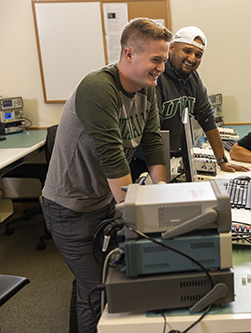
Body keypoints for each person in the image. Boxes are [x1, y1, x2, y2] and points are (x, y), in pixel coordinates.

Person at [40, 18, 172, 333]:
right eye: (156, 60)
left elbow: (152, 141)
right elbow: (112, 157)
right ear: (129, 54)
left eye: (164, 60)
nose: (162, 68)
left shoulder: (145, 89)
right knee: (98, 287)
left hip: (101, 199)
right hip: (69, 206)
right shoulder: (98, 88)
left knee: (103, 278)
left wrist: (166, 196)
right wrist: (150, 216)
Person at [151, 26, 248, 174]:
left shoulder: (193, 79)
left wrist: (221, 161)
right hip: (152, 160)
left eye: (198, 54)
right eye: (187, 51)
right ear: (171, 48)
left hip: (178, 158)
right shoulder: (157, 77)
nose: (192, 58)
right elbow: (152, 130)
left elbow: (207, 119)